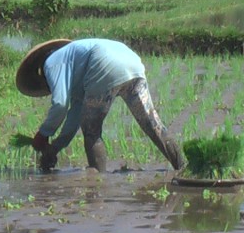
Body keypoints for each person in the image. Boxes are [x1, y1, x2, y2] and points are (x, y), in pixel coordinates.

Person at [16, 38, 185, 173]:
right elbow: (74, 116)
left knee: (92, 131)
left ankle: (98, 181)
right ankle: (183, 168)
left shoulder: (51, 64)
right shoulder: (74, 66)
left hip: (104, 64)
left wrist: (44, 133)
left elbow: (60, 103)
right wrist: (55, 147)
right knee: (152, 125)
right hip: (132, 63)